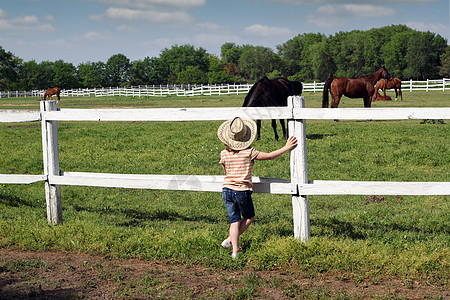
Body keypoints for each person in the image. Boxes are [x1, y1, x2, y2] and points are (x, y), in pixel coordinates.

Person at [217, 117, 297, 259]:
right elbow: (269, 156)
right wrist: (286, 147)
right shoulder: (249, 152)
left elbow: (225, 171)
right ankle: (230, 241)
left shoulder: (223, 154)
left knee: (234, 221)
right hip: (241, 191)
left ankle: (235, 250)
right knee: (249, 217)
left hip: (226, 190)